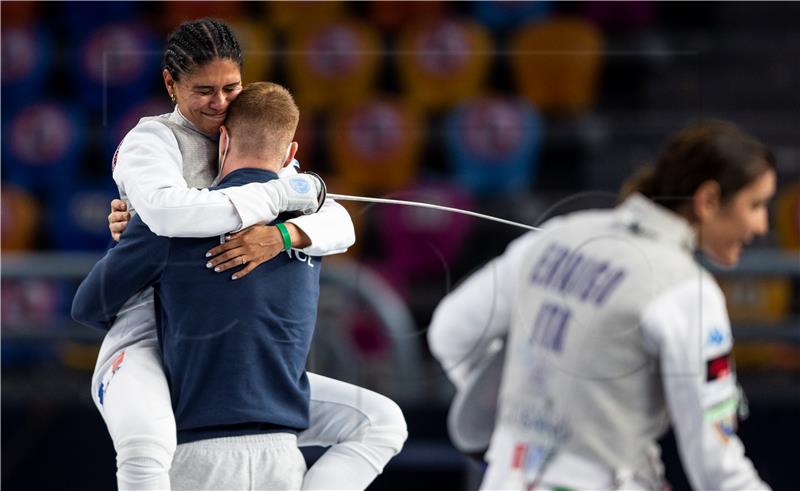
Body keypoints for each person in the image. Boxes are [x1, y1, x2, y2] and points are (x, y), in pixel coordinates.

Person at [91, 18, 406, 491]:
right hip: (144, 334)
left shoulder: (250, 132)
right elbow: (168, 215)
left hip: (211, 340)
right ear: (170, 84)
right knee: (144, 448)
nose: (219, 103)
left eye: (230, 87)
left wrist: (284, 236)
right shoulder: (151, 141)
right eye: (203, 91)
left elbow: (338, 223)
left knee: (381, 419)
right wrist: (279, 199)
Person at [428, 121, 775, 490]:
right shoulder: (686, 290)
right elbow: (715, 466)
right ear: (707, 201)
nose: (762, 225)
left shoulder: (561, 233)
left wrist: (514, 413)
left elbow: (451, 331)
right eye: (755, 205)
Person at [74, 81, 322, 489]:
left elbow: (88, 306)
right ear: (291, 153)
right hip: (283, 456)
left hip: (199, 452)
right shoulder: (311, 227)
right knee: (378, 423)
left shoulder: (170, 224)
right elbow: (336, 222)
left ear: (222, 140)